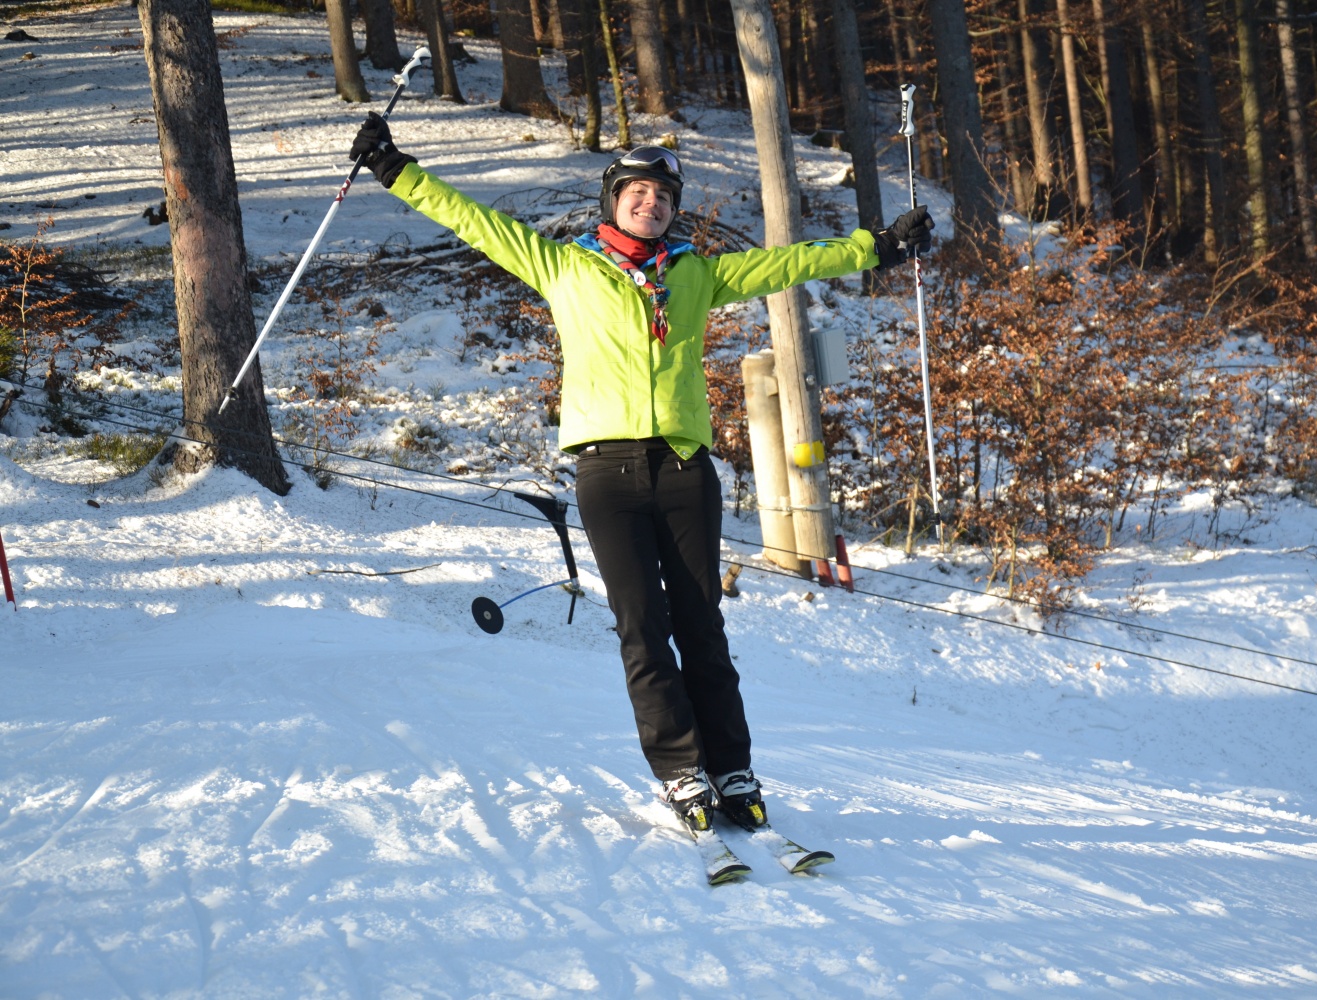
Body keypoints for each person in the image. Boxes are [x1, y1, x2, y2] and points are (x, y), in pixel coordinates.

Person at [349, 113, 933, 833]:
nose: (650, 204)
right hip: (606, 471)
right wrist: (393, 168)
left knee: (702, 627)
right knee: (642, 629)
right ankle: (681, 771)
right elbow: (474, 221)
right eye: (637, 193)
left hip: (685, 468)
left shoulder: (695, 275)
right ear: (613, 199)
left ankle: (731, 768)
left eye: (663, 197)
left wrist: (876, 247)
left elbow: (788, 264)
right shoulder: (563, 266)